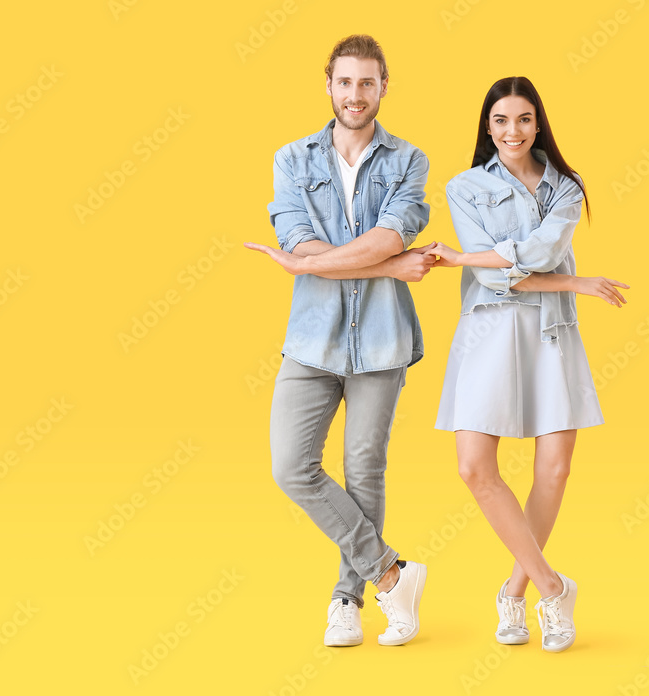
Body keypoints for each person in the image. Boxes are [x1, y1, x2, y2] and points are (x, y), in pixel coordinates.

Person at [426, 76, 629, 652]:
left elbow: (531, 254)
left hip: (550, 332)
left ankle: (516, 591)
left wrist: (466, 255)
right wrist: (576, 280)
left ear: (538, 124)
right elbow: (495, 277)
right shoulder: (463, 186)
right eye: (500, 121)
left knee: (555, 470)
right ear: (487, 127)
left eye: (523, 120)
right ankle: (553, 586)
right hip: (488, 328)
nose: (512, 132)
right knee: (473, 467)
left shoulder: (566, 187)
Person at [244, 35, 432, 647]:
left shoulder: (408, 160)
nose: (356, 94)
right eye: (345, 82)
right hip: (312, 342)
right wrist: (385, 266)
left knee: (362, 471)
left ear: (383, 87)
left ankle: (347, 602)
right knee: (290, 467)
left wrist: (327, 262)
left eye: (367, 83)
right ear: (328, 83)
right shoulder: (292, 160)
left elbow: (387, 236)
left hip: (382, 340)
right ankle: (391, 574)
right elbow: (303, 244)